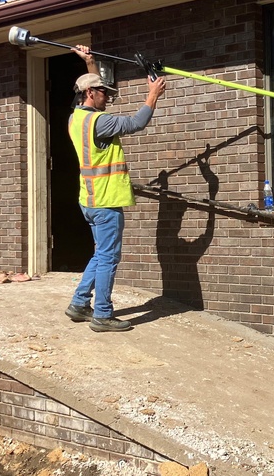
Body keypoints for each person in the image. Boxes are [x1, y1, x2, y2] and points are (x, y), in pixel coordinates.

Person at [64, 45, 167, 332]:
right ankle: (102, 315)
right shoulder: (101, 121)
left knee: (100, 254)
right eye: (104, 93)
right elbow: (137, 122)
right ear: (90, 95)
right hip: (106, 202)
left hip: (89, 199)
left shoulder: (76, 118)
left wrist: (90, 63)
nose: (107, 97)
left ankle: (79, 303)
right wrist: (152, 95)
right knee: (109, 258)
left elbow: (91, 85)